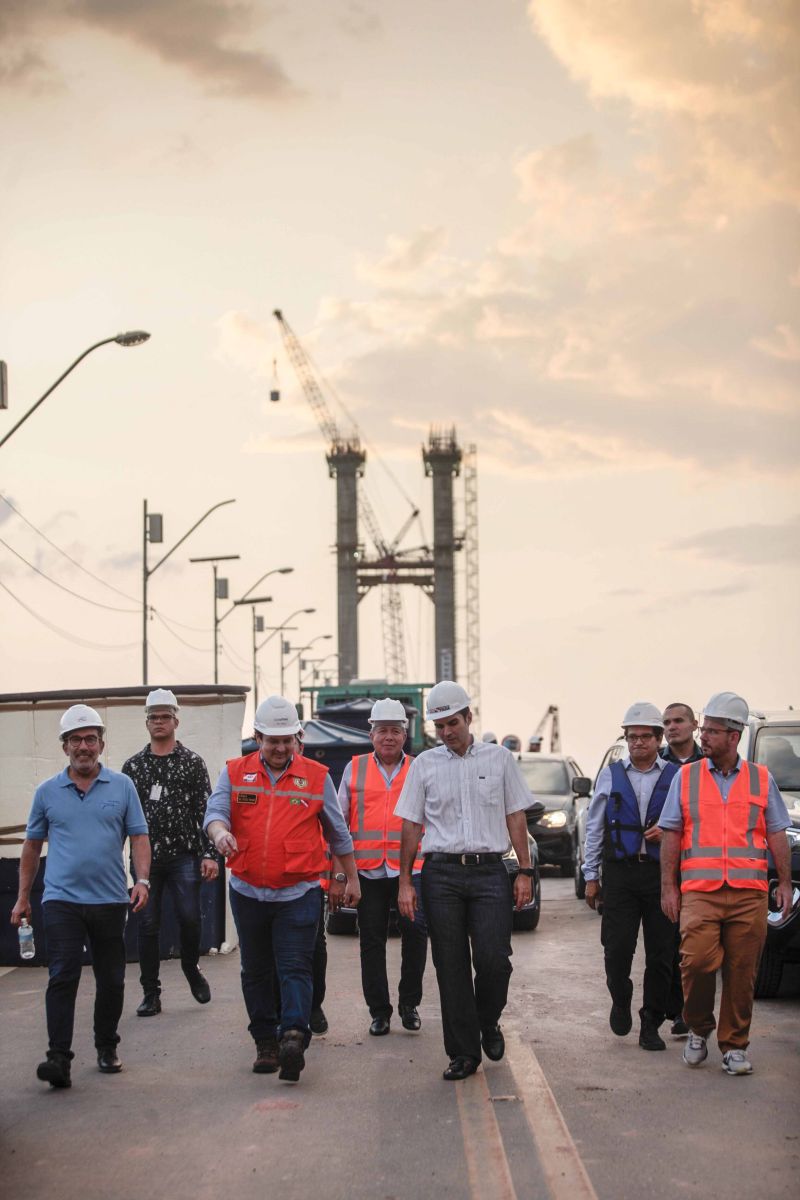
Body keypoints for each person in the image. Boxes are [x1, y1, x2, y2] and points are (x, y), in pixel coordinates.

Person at [205, 695, 360, 1083]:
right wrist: (220, 834)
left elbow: (338, 833)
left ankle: (293, 1035)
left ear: (297, 737)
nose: (279, 748)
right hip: (247, 892)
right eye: (271, 740)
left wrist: (350, 877)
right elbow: (216, 813)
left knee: (295, 966)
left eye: (286, 740)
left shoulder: (317, 776)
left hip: (299, 892)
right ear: (257, 737)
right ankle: (265, 1043)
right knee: (255, 970)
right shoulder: (235, 772)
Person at [395, 681, 535, 1081]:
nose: (446, 732)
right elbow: (411, 825)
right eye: (439, 726)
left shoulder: (500, 760)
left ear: (469, 717)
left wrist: (524, 870)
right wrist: (406, 882)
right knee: (450, 965)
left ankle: (487, 1020)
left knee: (494, 961)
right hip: (441, 874)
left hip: (490, 872)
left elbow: (515, 815)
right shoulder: (424, 765)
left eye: (452, 722)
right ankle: (463, 1053)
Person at [10, 704, 151, 1089]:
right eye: (76, 739)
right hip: (61, 901)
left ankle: (107, 1047)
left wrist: (143, 880)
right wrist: (23, 897)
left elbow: (139, 837)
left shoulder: (122, 786)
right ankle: (59, 1058)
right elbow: (31, 847)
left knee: (112, 980)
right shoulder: (47, 793)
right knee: (63, 975)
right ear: (65, 747)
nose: (83, 746)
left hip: (109, 900)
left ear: (101, 744)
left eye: (90, 739)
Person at [660, 691, 792, 1076]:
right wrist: (669, 887)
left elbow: (777, 833)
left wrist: (783, 883)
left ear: (734, 737)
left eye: (713, 731)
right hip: (700, 892)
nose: (705, 737)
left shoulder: (760, 779)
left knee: (742, 971)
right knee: (697, 962)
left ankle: (735, 1045)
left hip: (749, 893)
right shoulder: (686, 777)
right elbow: (670, 833)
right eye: (706, 729)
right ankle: (699, 1027)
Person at [583, 702, 679, 1052]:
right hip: (620, 875)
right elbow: (594, 827)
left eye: (644, 737)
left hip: (661, 875)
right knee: (617, 949)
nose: (638, 742)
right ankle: (620, 998)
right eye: (632, 736)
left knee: (661, 955)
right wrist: (590, 876)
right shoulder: (611, 774)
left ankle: (650, 1022)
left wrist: (668, 833)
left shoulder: (676, 776)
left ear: (658, 739)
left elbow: (689, 826)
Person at [121, 688, 218, 1016]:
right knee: (147, 924)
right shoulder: (133, 767)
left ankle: (191, 968)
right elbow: (122, 818)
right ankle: (151, 992)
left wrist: (210, 854)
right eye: (153, 718)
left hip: (184, 855)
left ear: (176, 721)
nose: (159, 722)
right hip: (146, 860)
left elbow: (207, 811)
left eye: (165, 717)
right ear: (146, 723)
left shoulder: (191, 763)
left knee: (190, 917)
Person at [338, 697, 428, 1037]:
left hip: (412, 869)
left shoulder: (419, 767)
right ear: (371, 734)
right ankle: (379, 1011)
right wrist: (342, 875)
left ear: (405, 735)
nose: (388, 737)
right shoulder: (355, 768)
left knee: (416, 933)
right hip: (368, 871)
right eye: (381, 731)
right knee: (371, 940)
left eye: (395, 731)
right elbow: (339, 821)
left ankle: (410, 1004)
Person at [659, 702, 703, 1036]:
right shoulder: (656, 764)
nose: (672, 726)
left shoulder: (709, 764)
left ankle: (689, 1009)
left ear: (694, 724)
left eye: (679, 721)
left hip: (702, 867)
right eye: (667, 722)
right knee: (669, 943)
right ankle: (677, 1011)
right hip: (662, 867)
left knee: (696, 946)